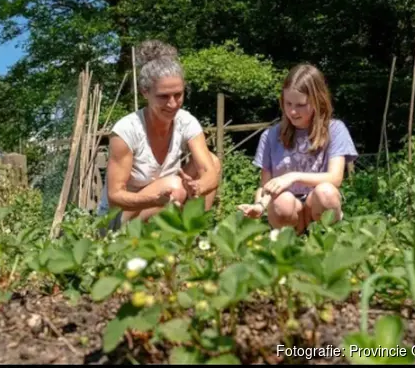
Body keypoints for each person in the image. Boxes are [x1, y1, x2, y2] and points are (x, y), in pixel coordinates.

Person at [97, 40, 221, 230]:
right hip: (119, 219)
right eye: (163, 96)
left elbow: (209, 171)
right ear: (145, 92)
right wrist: (152, 200)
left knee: (212, 161)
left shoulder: (186, 122)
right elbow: (115, 197)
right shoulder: (126, 130)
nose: (172, 104)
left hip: (166, 199)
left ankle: (192, 232)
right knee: (174, 186)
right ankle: (174, 236)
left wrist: (199, 187)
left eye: (178, 95)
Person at [239, 63, 358, 234]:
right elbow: (266, 186)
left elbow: (335, 178)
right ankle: (292, 240)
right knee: (282, 201)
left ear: (318, 101)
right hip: (287, 209)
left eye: (301, 105)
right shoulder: (271, 136)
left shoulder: (335, 130)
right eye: (288, 104)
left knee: (326, 191)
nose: (293, 112)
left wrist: (293, 177)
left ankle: (326, 238)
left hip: (317, 205)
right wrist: (259, 206)